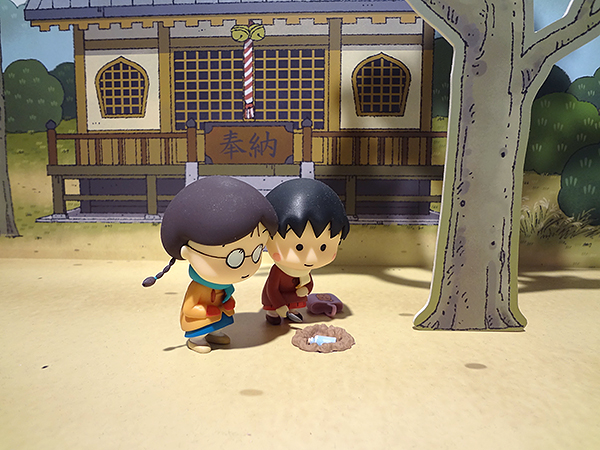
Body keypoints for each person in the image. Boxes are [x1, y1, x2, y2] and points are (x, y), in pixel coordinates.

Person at [143, 176, 278, 353]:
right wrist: (208, 311)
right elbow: (189, 309)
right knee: (201, 328)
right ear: (188, 253)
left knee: (221, 322)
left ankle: (215, 333)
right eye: (234, 258)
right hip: (200, 320)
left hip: (216, 316)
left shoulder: (223, 285)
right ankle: (196, 340)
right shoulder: (198, 288)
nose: (247, 267)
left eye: (256, 253)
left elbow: (225, 298)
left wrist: (227, 304)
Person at [261, 178, 350, 325]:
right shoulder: (278, 272)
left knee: (295, 303)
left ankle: (292, 311)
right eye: (299, 247)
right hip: (275, 300)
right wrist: (279, 305)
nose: (310, 258)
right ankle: (273, 313)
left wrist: (306, 289)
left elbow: (309, 282)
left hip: (293, 297)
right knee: (274, 310)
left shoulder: (304, 270)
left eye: (323, 247)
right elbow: (272, 290)